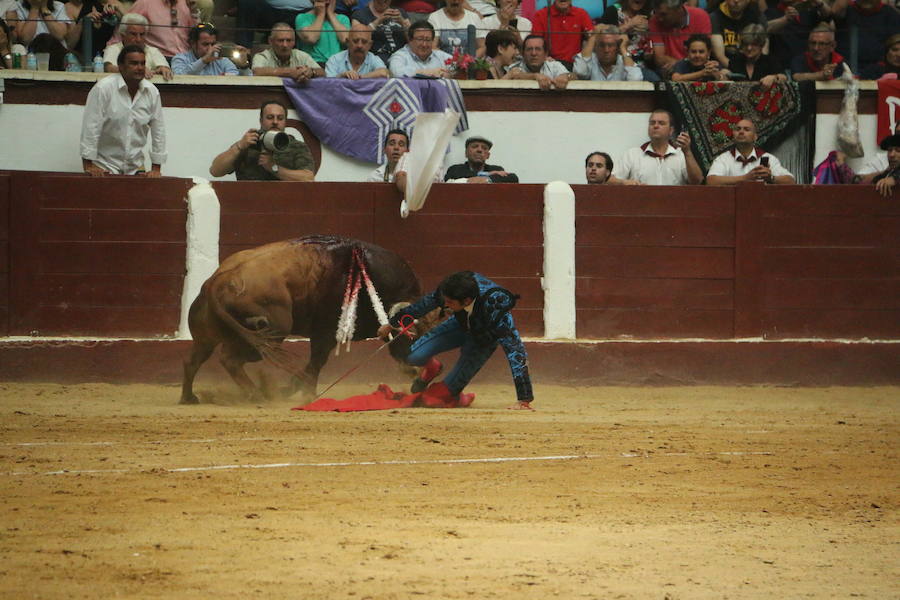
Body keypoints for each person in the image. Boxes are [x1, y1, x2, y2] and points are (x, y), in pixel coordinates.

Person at [377, 270, 534, 411]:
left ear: (466, 301)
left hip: (483, 340)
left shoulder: (496, 307)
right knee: (413, 356)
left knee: (435, 399)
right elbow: (424, 305)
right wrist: (392, 324)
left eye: (450, 303)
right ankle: (432, 368)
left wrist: (524, 397)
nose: (445, 305)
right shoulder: (452, 288)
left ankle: (458, 396)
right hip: (458, 325)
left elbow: (515, 348)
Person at [80, 44, 166, 176]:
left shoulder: (152, 92)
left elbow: (158, 130)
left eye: (142, 64)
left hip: (136, 166)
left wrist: (156, 169)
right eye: (134, 63)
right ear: (120, 66)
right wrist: (88, 167)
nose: (139, 68)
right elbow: (91, 127)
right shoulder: (103, 88)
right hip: (103, 165)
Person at [209, 100, 316, 181]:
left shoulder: (296, 146)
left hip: (286, 203)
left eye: (280, 118)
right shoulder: (249, 142)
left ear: (285, 122)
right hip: (248, 202)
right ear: (261, 121)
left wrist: (274, 168)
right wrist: (239, 146)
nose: (275, 122)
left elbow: (308, 178)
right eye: (270, 117)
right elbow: (215, 170)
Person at [611, 109, 703, 185]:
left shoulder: (681, 155)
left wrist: (687, 152)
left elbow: (697, 181)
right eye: (652, 123)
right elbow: (609, 180)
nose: (655, 126)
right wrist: (624, 182)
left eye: (661, 123)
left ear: (671, 130)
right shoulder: (632, 154)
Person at [706, 118, 795, 185]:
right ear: (733, 136)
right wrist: (746, 178)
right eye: (738, 129)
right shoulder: (724, 159)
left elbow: (791, 181)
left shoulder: (768, 158)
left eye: (746, 129)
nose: (741, 132)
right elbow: (711, 181)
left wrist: (771, 178)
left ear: (755, 137)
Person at [830, 0, 900, 75]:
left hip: (879, 70)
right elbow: (834, 11)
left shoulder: (891, 15)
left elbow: (895, 45)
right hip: (844, 68)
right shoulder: (845, 11)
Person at [648, 0, 712, 78]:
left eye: (664, 14)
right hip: (669, 70)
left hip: (698, 68)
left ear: (678, 9)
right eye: (656, 13)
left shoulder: (700, 16)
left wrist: (680, 65)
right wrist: (684, 65)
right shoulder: (655, 20)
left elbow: (705, 53)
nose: (660, 19)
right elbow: (659, 59)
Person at [764, 0, 831, 71]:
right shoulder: (771, 12)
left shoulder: (808, 11)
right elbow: (765, 29)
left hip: (806, 65)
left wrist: (819, 2)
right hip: (781, 66)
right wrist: (785, 19)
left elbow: (828, 16)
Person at [598, 0, 656, 81]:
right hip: (617, 64)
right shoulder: (612, 11)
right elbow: (603, 38)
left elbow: (652, 43)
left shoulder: (648, 15)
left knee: (657, 82)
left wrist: (649, 52)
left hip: (640, 65)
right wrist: (629, 25)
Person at [103, 13, 173, 80]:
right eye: (133, 34)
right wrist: (136, 70)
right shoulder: (113, 49)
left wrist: (163, 69)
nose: (138, 39)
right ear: (123, 36)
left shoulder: (153, 51)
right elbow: (108, 68)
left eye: (142, 34)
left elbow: (164, 67)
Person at [530, 0, 593, 68]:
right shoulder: (540, 15)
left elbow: (592, 36)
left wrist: (590, 35)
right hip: (550, 64)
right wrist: (544, 58)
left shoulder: (581, 13)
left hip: (575, 66)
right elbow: (535, 44)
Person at [251, 22, 323, 81]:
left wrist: (311, 72)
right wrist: (289, 72)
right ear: (270, 41)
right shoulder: (263, 56)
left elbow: (322, 72)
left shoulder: (301, 55)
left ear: (294, 42)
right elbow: (257, 72)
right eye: (280, 40)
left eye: (289, 40)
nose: (285, 45)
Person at [127, 0, 197, 60]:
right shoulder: (145, 2)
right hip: (159, 57)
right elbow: (126, 26)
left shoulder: (187, 3)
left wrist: (193, 12)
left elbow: (196, 34)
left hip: (187, 58)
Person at [574, 24, 643, 81]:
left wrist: (623, 48)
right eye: (602, 45)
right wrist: (593, 36)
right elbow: (580, 72)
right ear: (595, 46)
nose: (606, 50)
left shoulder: (624, 62)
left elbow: (635, 79)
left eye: (611, 45)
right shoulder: (591, 60)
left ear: (617, 46)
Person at [708, 0, 766, 67]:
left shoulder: (757, 16)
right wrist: (738, 72)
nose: (736, 1)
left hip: (753, 67)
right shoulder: (715, 17)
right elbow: (720, 56)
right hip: (725, 67)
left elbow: (763, 51)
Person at [351, 0, 410, 64]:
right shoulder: (359, 14)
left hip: (403, 57)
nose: (382, 1)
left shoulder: (400, 12)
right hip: (377, 59)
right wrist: (377, 21)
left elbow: (413, 39)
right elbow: (356, 39)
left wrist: (403, 23)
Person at [171, 22, 243, 76]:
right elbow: (179, 76)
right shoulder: (180, 58)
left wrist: (244, 65)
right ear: (193, 43)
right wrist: (204, 60)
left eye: (213, 44)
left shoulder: (222, 60)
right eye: (205, 44)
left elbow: (235, 75)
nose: (210, 48)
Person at [508, 34, 575, 90]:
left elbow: (574, 76)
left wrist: (566, 76)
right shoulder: (515, 67)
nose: (533, 53)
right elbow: (515, 76)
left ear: (546, 54)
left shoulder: (554, 66)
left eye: (538, 49)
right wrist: (534, 76)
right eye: (529, 49)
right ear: (523, 54)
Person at [295, 0, 350, 65]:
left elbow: (345, 40)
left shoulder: (343, 18)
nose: (327, 2)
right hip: (313, 64)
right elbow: (312, 38)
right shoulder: (302, 17)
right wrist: (321, 15)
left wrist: (330, 14)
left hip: (338, 64)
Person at [444, 136, 519, 183]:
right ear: (466, 153)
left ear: (488, 155)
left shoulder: (496, 169)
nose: (479, 150)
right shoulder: (455, 169)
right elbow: (448, 180)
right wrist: (487, 174)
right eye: (474, 146)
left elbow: (513, 178)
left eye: (484, 148)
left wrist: (487, 180)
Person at [325, 22, 390, 77]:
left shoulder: (374, 59)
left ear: (370, 45)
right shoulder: (334, 60)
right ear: (347, 42)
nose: (359, 46)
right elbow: (327, 85)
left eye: (364, 42)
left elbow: (384, 73)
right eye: (355, 41)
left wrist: (360, 78)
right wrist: (341, 77)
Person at [5, 0, 71, 47]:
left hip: (56, 51)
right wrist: (34, 8)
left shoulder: (59, 6)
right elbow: (25, 39)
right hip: (31, 55)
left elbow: (60, 35)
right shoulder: (18, 6)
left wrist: (44, 7)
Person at [870, 133, 899, 197]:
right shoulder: (888, 172)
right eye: (890, 150)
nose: (892, 155)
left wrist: (895, 179)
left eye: (898, 150)